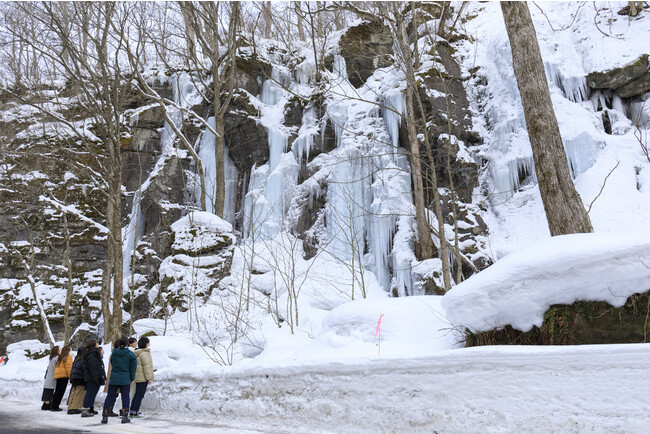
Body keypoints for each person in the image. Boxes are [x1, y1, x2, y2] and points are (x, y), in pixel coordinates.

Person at [101, 337, 137, 424]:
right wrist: (132, 378)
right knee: (125, 397)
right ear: (127, 344)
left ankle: (105, 415)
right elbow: (133, 368)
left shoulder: (114, 353)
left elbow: (112, 364)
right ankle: (125, 416)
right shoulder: (130, 354)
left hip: (114, 377)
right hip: (125, 378)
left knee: (110, 396)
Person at [81, 340, 106, 417]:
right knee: (90, 393)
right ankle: (85, 409)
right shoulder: (92, 355)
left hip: (94, 377)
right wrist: (96, 379)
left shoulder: (94, 354)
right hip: (92, 378)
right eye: (97, 343)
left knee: (93, 393)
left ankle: (90, 408)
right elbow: (93, 368)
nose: (98, 344)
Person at [130, 337, 154, 418]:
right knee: (140, 395)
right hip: (143, 377)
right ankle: (135, 412)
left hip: (138, 376)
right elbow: (146, 367)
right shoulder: (145, 353)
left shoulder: (137, 352)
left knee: (137, 394)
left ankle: (132, 411)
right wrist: (149, 378)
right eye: (148, 342)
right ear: (146, 344)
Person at [50, 345, 72, 411]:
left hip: (58, 375)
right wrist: (70, 376)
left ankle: (53, 404)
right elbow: (68, 368)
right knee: (60, 392)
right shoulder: (68, 357)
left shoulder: (60, 357)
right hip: (63, 376)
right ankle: (55, 406)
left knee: (57, 391)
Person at [66, 346, 86, 414]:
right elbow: (84, 370)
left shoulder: (76, 359)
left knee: (73, 393)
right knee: (79, 393)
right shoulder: (83, 360)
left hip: (74, 378)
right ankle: (75, 407)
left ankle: (70, 407)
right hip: (80, 378)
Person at [41, 346, 60, 410]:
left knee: (47, 391)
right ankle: (47, 405)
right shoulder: (56, 358)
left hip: (48, 377)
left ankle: (45, 404)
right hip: (52, 377)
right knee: (49, 391)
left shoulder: (51, 358)